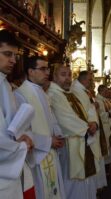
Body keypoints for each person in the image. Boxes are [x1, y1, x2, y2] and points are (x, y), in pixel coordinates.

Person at [15, 56, 66, 199]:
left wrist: (58, 134)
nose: (47, 72)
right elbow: (21, 132)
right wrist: (49, 141)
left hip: (50, 153)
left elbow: (51, 119)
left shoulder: (42, 92)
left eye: (48, 68)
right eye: (43, 69)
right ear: (30, 71)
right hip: (37, 156)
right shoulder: (20, 94)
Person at [48, 65, 100, 199]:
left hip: (82, 141)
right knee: (72, 184)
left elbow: (88, 109)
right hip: (69, 146)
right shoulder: (53, 94)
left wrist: (93, 122)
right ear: (54, 77)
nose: (67, 78)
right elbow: (64, 119)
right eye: (63, 74)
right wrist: (87, 128)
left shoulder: (70, 93)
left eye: (69, 75)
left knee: (83, 183)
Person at [0, 29, 34, 199]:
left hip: (10, 166)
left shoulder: (5, 84)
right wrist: (19, 146)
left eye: (15, 55)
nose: (13, 60)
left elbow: (11, 124)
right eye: (7, 54)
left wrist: (23, 135)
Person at [71, 71, 107, 190]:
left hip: (91, 129)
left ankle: (94, 188)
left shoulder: (85, 92)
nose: (92, 82)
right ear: (84, 80)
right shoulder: (76, 91)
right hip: (85, 132)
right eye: (90, 80)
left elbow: (88, 108)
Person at [96, 85, 111, 164]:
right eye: (106, 91)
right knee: (104, 145)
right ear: (101, 91)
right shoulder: (99, 101)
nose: (107, 93)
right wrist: (109, 114)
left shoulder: (104, 100)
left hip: (107, 125)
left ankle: (108, 163)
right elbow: (100, 114)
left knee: (107, 145)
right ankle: (106, 164)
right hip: (103, 126)